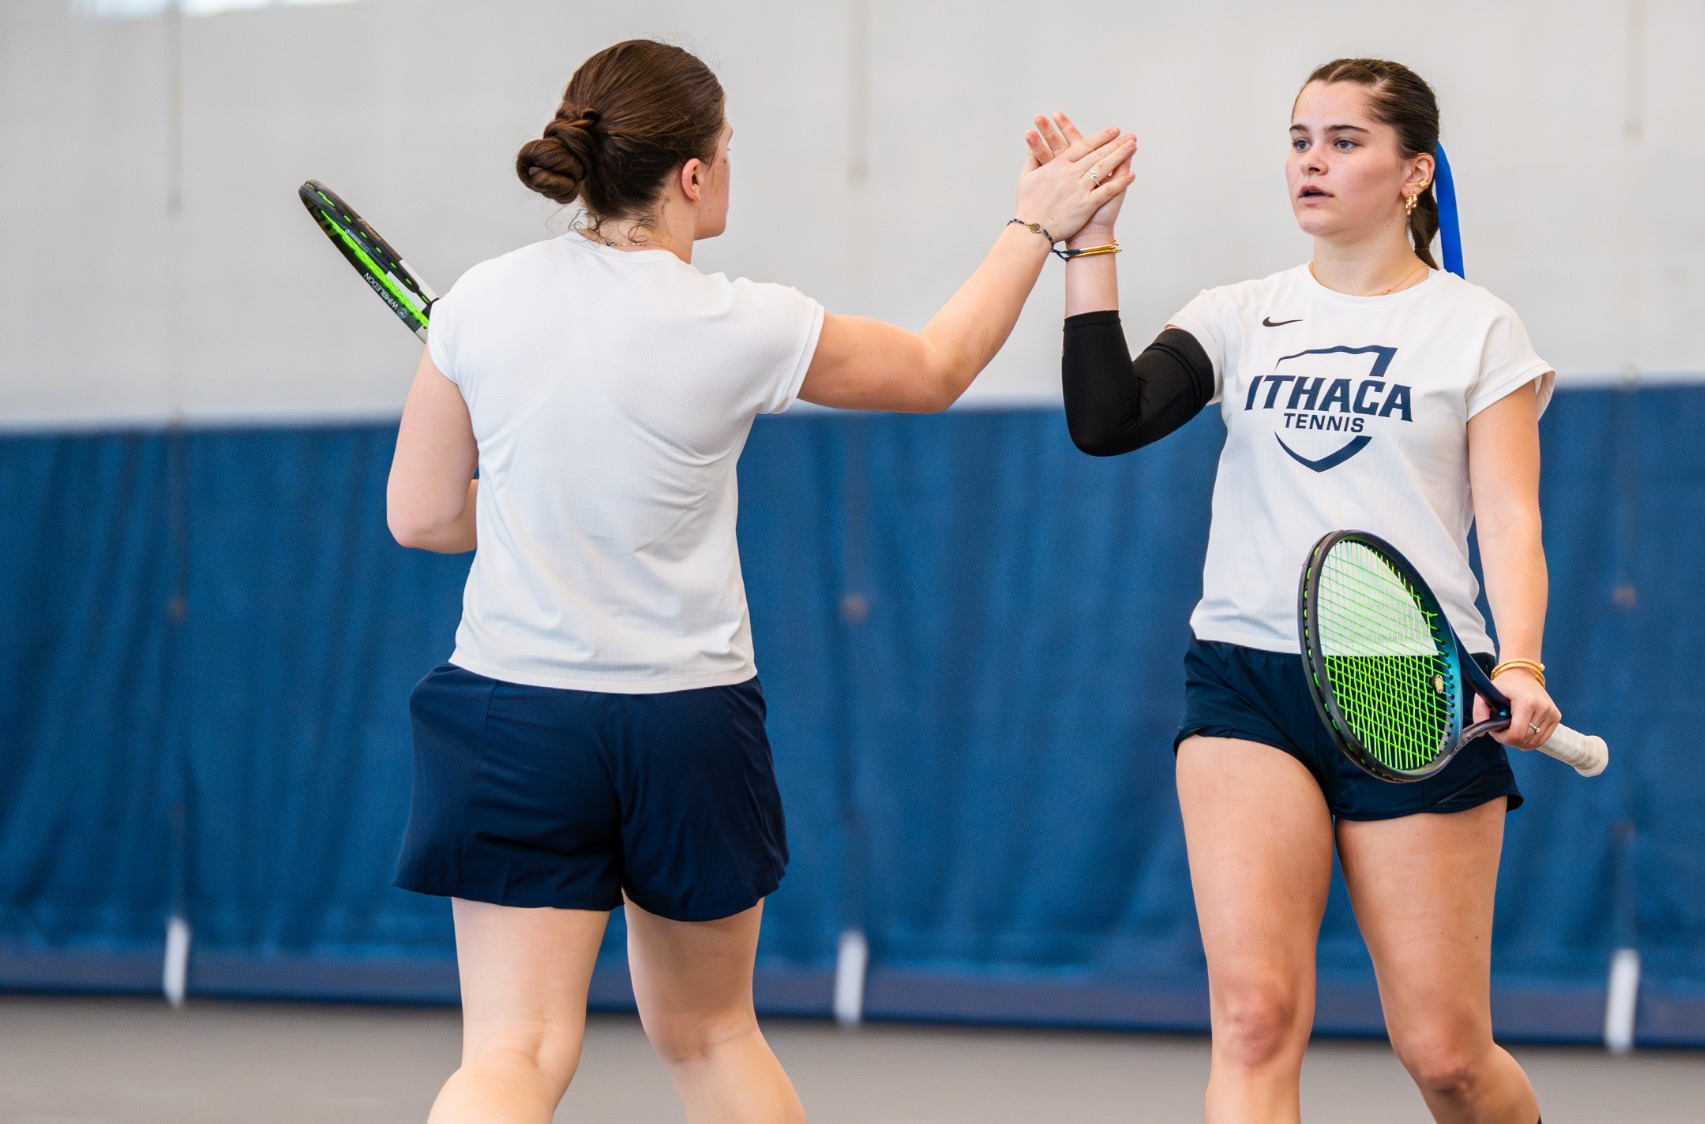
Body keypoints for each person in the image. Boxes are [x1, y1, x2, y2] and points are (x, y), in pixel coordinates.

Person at [384, 38, 1134, 1124]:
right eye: (728, 148)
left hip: (513, 718)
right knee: (712, 1036)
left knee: (513, 1051)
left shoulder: (477, 304)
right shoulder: (744, 321)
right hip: (686, 723)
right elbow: (935, 369)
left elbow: (421, 517)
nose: (731, 166)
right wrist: (1033, 225)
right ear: (693, 173)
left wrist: (511, 509)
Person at [1042, 58, 1555, 1124]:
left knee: (1448, 1058)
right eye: (1298, 140)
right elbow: (1105, 421)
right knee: (1253, 1021)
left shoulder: (1478, 329)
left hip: (1413, 684)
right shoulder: (1238, 313)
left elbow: (1510, 518)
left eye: (1344, 141)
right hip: (1246, 681)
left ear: (1414, 172)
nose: (1311, 162)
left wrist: (1519, 661)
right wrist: (1087, 244)